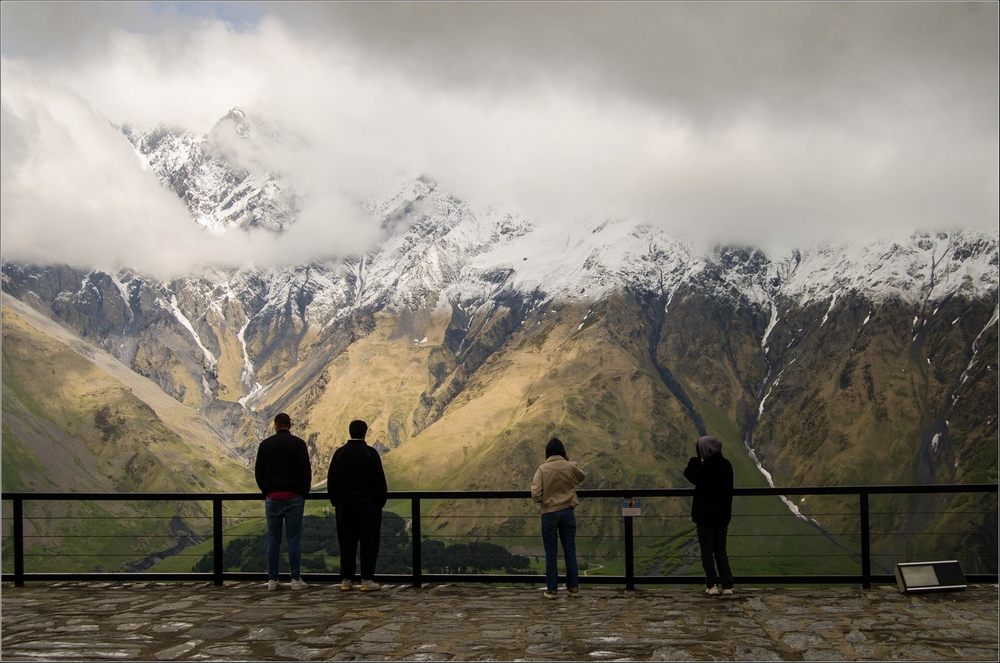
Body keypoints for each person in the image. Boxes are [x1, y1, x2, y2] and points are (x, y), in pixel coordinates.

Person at [327, 420, 388, 592]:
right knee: (368, 542)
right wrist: (379, 503)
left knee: (346, 542)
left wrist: (336, 502)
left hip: (344, 506)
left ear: (350, 432)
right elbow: (379, 481)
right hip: (368, 507)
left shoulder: (340, 453)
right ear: (365, 433)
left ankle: (346, 579)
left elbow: (331, 481)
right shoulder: (370, 453)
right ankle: (366, 579)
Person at [254, 412, 312, 591]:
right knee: (294, 539)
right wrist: (303, 492)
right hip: (294, 497)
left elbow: (259, 472)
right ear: (290, 425)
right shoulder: (299, 444)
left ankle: (273, 579)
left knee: (273, 539)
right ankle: (295, 579)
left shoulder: (265, 445)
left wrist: (266, 491)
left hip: (273, 497)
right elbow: (305, 472)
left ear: (275, 425)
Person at [530, 437, 586, 599]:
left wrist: (543, 501)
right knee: (570, 550)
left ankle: (552, 590)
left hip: (549, 513)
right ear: (563, 452)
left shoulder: (542, 469)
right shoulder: (569, 466)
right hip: (567, 512)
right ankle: (573, 588)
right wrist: (570, 462)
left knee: (551, 552)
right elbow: (581, 477)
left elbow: (535, 493)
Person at [683, 435, 735, 596]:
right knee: (721, 549)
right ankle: (727, 585)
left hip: (705, 517)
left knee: (707, 550)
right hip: (722, 516)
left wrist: (695, 460)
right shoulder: (726, 465)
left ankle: (712, 584)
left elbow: (690, 475)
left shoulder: (705, 468)